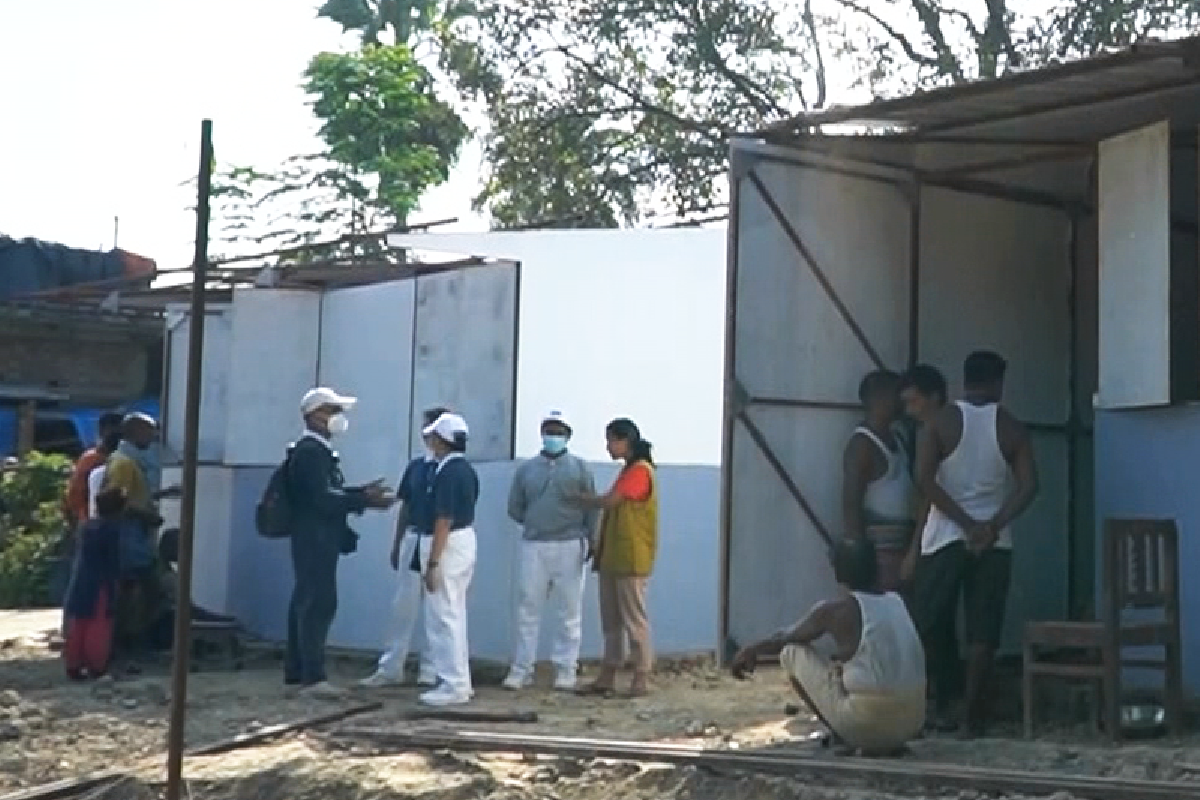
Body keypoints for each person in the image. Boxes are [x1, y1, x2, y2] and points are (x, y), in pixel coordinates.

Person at [912, 350, 1038, 737]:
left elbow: (925, 481)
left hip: (945, 537)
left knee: (931, 622)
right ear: (999, 383)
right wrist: (990, 526)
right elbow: (1030, 486)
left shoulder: (940, 423)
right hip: (994, 544)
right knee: (983, 633)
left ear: (964, 380)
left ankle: (936, 703)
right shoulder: (1012, 428)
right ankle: (972, 718)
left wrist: (965, 524)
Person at [729, 538, 925, 757]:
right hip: (912, 723)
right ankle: (886, 738)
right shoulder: (898, 602)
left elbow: (783, 638)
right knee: (846, 666)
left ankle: (844, 735)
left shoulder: (835, 611)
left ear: (838, 573)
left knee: (792, 652)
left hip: (868, 727)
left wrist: (750, 650)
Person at [285, 387, 395, 699]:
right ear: (314, 415)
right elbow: (321, 498)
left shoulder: (316, 450)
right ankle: (312, 676)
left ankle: (297, 672)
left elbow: (328, 492)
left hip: (318, 535)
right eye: (332, 411)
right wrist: (363, 500)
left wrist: (361, 493)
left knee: (306, 599)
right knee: (318, 603)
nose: (339, 418)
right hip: (315, 536)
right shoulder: (310, 451)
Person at [502, 410, 599, 692]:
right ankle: (521, 669)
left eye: (558, 431)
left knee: (569, 612)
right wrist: (538, 522)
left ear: (568, 435)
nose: (553, 436)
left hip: (571, 544)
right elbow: (515, 508)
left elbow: (592, 507)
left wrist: (592, 539)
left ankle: (566, 669)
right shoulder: (526, 470)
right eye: (549, 430)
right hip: (535, 545)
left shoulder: (580, 468)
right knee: (527, 609)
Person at [359, 405, 449, 689]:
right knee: (404, 606)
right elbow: (406, 507)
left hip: (440, 541)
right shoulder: (416, 467)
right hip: (414, 537)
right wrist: (397, 544)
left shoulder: (451, 469)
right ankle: (391, 667)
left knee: (438, 606)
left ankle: (431, 668)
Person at [573, 418, 658, 699]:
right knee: (611, 620)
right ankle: (608, 673)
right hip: (613, 555)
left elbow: (611, 501)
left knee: (634, 618)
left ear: (626, 441)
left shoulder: (640, 472)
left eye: (611, 440)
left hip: (631, 557)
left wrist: (581, 499)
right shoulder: (628, 471)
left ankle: (641, 674)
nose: (608, 447)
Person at [101, 413, 178, 658]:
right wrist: (147, 517)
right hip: (129, 536)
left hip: (132, 535)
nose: (154, 437)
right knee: (142, 590)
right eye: (150, 432)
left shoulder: (126, 460)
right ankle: (129, 643)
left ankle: (129, 642)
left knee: (139, 590)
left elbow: (132, 496)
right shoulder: (124, 463)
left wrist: (162, 494)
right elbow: (116, 502)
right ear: (135, 432)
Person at [418, 411, 480, 707]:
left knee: (444, 614)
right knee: (453, 613)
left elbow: (443, 518)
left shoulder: (447, 472)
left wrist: (432, 563)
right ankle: (457, 680)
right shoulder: (464, 469)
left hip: (448, 543)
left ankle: (453, 683)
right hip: (462, 540)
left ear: (442, 440)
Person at [842, 370, 914, 593]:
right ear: (880, 398)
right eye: (897, 394)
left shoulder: (899, 438)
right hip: (877, 555)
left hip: (903, 551)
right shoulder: (862, 445)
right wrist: (860, 562)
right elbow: (851, 505)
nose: (903, 401)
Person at [62, 487, 125, 680]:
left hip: (80, 579)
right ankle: (96, 666)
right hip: (100, 582)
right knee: (99, 624)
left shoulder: (86, 526)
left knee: (79, 623)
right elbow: (112, 560)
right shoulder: (112, 530)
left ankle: (73, 664)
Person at [898, 363, 948, 588]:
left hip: (937, 535)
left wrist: (913, 550)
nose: (910, 411)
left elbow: (928, 494)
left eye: (914, 402)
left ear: (934, 397)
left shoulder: (930, 434)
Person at [65, 412, 124, 526]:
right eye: (113, 431)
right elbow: (75, 494)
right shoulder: (90, 459)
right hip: (91, 521)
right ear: (101, 432)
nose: (117, 436)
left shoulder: (127, 459)